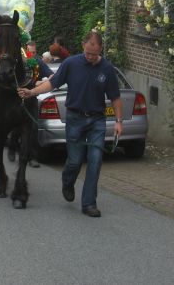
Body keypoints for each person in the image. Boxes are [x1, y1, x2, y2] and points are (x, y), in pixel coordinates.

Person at [18, 31, 122, 217]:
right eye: (88, 53)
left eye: (94, 54)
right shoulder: (71, 64)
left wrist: (119, 122)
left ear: (100, 50)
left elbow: (115, 97)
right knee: (74, 160)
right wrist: (31, 92)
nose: (90, 57)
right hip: (75, 118)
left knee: (95, 161)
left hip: (97, 119)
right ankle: (68, 181)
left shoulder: (107, 69)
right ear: (83, 46)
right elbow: (52, 84)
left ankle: (89, 203)